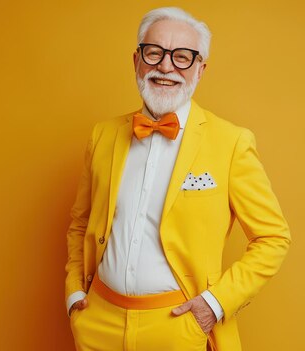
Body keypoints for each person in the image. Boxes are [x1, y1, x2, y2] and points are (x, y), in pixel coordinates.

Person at [64, 7, 290, 351]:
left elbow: (273, 238)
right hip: (98, 323)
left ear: (201, 69)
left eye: (182, 57)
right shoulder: (103, 135)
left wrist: (214, 306)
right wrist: (74, 292)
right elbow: (81, 223)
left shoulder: (231, 142)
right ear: (137, 60)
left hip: (179, 329)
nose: (166, 67)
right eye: (154, 53)